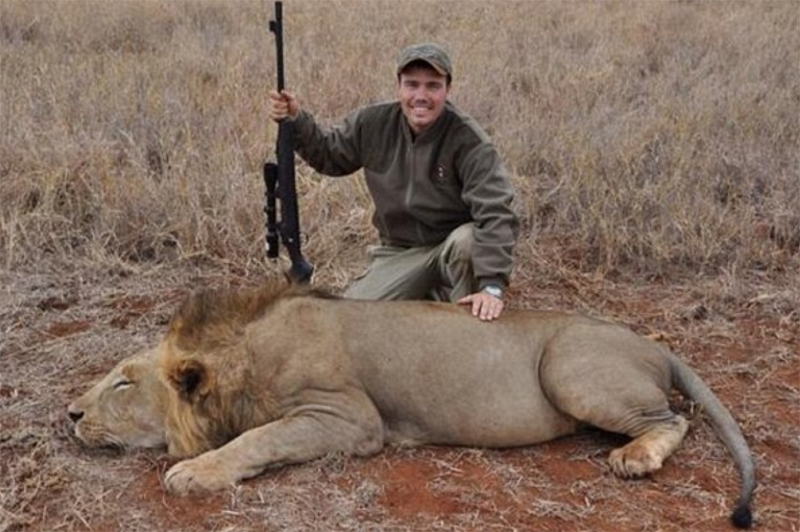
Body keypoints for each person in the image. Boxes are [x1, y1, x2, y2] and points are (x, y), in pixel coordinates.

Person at [268, 43, 518, 321]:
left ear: (448, 89)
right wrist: (296, 119)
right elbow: (329, 156)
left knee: (469, 241)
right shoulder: (372, 123)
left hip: (451, 249)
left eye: (432, 86)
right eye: (412, 85)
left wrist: (492, 286)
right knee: (349, 321)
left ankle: (466, 322)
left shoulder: (470, 141)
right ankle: (429, 295)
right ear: (398, 86)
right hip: (398, 252)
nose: (420, 96)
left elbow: (496, 213)